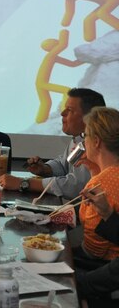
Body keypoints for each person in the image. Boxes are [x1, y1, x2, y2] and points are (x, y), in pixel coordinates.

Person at [0, 88, 105, 200]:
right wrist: (45, 169)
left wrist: (24, 183)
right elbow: (63, 164)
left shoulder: (95, 145)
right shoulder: (78, 139)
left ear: (88, 118)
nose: (62, 113)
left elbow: (75, 186)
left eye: (69, 110)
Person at [76, 107, 119, 261]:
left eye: (85, 135)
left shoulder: (100, 182)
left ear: (96, 141)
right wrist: (95, 170)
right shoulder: (107, 176)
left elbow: (94, 250)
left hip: (104, 269)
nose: (83, 141)